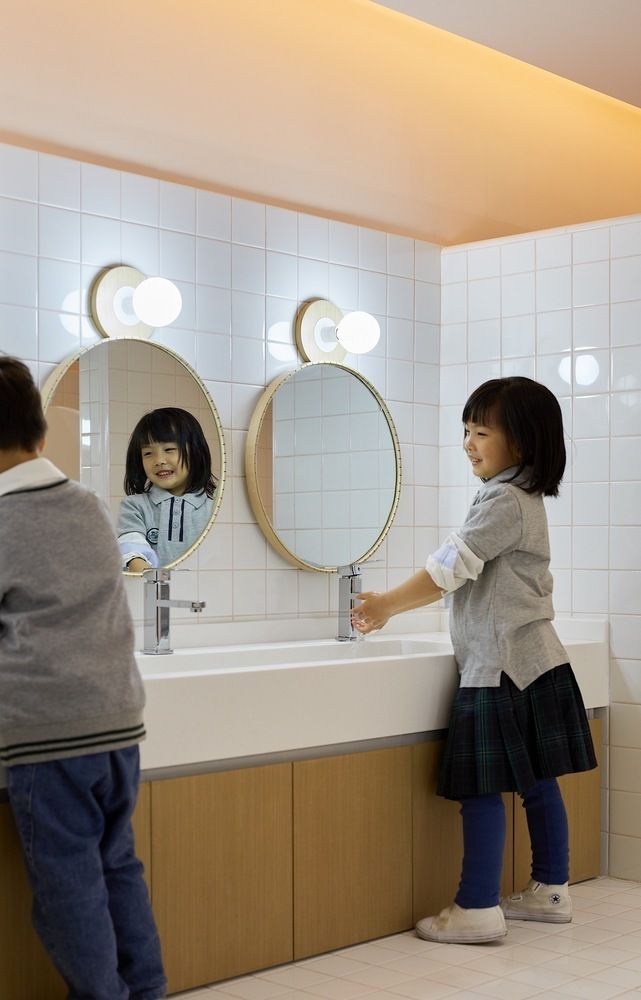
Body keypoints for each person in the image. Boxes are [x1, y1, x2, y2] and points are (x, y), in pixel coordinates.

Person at [352, 376, 596, 945]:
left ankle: (477, 908)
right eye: (466, 431)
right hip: (534, 659)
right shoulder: (521, 497)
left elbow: (448, 568)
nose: (468, 443)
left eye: (481, 432)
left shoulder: (502, 500)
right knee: (538, 781)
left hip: (500, 666)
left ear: (523, 441)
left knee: (480, 787)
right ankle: (551, 890)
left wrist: (386, 604)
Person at [0, 357, 166, 999]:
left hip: (50, 733)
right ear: (41, 435)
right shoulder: (91, 506)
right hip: (117, 724)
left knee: (67, 885)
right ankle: (146, 990)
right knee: (117, 865)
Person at [117, 407, 216, 572]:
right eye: (148, 453)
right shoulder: (134, 506)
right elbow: (131, 546)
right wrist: (140, 566)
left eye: (169, 449)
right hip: (149, 593)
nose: (159, 460)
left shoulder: (214, 507)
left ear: (196, 451)